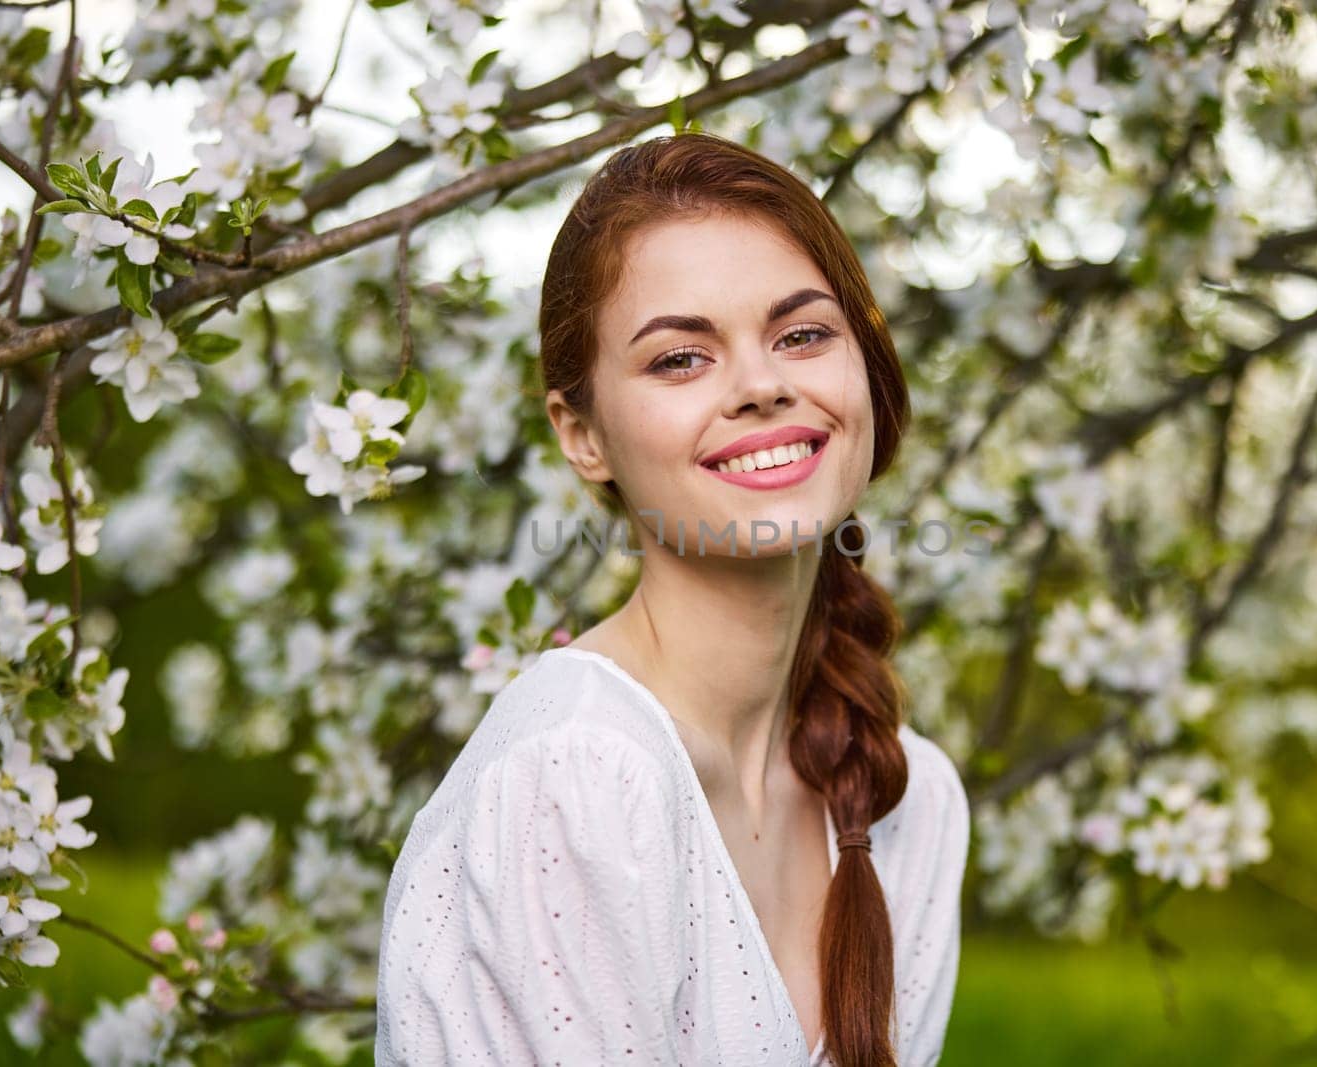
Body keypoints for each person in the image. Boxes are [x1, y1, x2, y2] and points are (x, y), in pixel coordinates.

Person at [375, 130, 970, 1067]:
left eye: (803, 333)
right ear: (583, 435)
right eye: (680, 359)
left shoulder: (908, 799)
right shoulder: (575, 779)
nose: (762, 385)